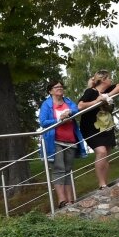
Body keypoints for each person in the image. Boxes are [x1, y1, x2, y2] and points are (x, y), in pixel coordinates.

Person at [39, 80, 87, 208]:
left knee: (67, 170)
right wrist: (58, 119)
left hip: (70, 140)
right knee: (59, 169)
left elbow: (76, 109)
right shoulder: (46, 105)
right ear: (50, 91)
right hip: (54, 141)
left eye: (61, 86)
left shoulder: (68, 101)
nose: (60, 89)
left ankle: (70, 200)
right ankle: (62, 200)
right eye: (56, 87)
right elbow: (43, 122)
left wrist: (70, 112)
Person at [78, 70, 119, 189]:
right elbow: (80, 106)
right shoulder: (91, 91)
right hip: (91, 128)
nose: (111, 80)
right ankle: (101, 184)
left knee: (106, 155)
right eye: (109, 78)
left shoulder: (108, 90)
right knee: (101, 152)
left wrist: (107, 96)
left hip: (107, 127)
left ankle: (105, 183)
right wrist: (97, 101)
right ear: (103, 79)